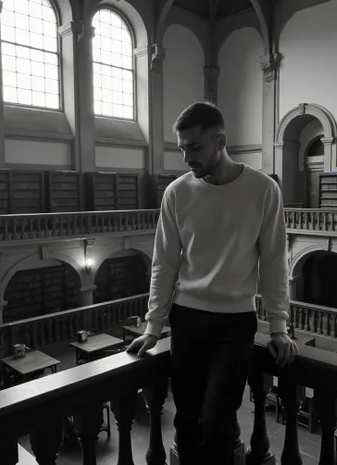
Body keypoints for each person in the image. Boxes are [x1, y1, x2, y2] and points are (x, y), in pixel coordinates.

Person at [127, 101, 299, 465]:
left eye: (195, 147)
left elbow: (273, 263)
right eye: (182, 148)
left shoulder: (263, 190)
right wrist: (153, 327)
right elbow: (164, 264)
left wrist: (279, 328)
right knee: (187, 422)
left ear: (220, 140)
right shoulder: (177, 192)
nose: (187, 157)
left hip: (234, 323)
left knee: (216, 420)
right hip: (185, 319)